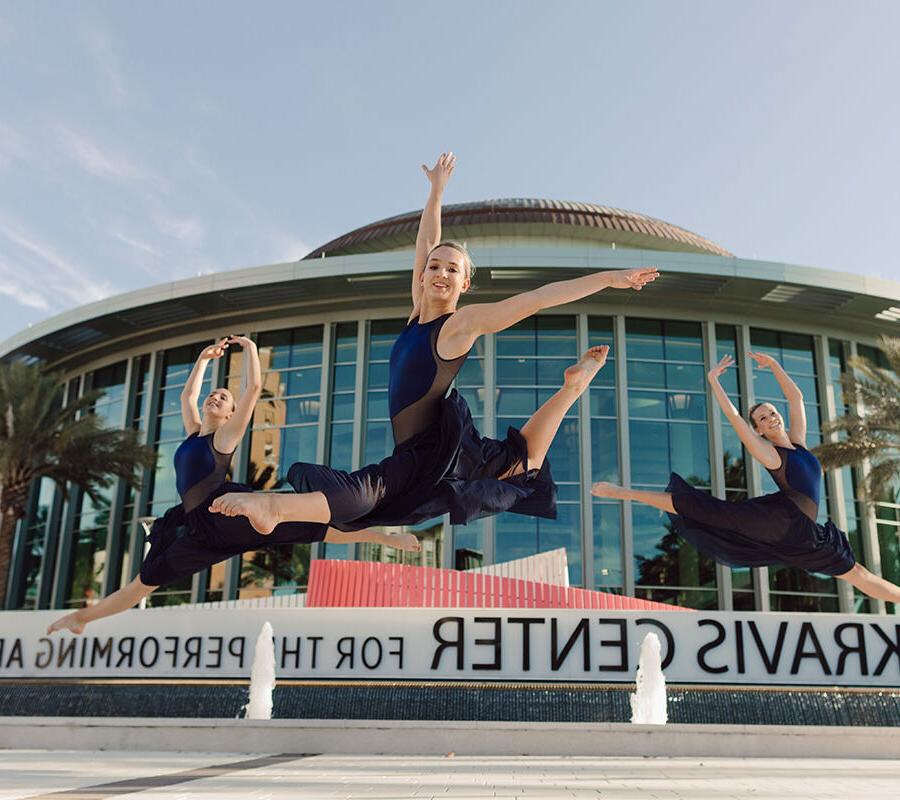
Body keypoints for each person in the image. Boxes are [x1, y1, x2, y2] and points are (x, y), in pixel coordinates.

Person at [210, 152, 658, 535]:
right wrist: (436, 193)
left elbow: (535, 299)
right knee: (521, 461)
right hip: (433, 449)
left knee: (370, 491)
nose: (441, 273)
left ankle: (274, 508)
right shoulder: (414, 315)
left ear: (465, 284)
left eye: (452, 270)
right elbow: (426, 240)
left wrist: (609, 279)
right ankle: (572, 388)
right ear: (422, 275)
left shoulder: (457, 326)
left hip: (431, 452)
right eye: (435, 267)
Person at [47, 336, 418, 635]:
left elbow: (254, 387)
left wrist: (251, 349)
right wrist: (204, 360)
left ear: (228, 415)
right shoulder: (194, 433)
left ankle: (384, 537)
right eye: (215, 394)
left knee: (314, 526)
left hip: (225, 511)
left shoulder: (222, 441)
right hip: (196, 530)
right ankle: (83, 619)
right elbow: (186, 396)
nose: (216, 397)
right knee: (143, 583)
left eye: (224, 398)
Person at [592, 350, 900, 604]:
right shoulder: (771, 454)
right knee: (707, 510)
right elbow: (735, 419)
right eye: (763, 418)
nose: (771, 417)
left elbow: (796, 398)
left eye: (771, 412)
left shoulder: (799, 442)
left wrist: (775, 365)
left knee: (857, 572)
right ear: (760, 430)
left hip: (802, 531)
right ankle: (622, 492)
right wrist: (714, 381)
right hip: (782, 518)